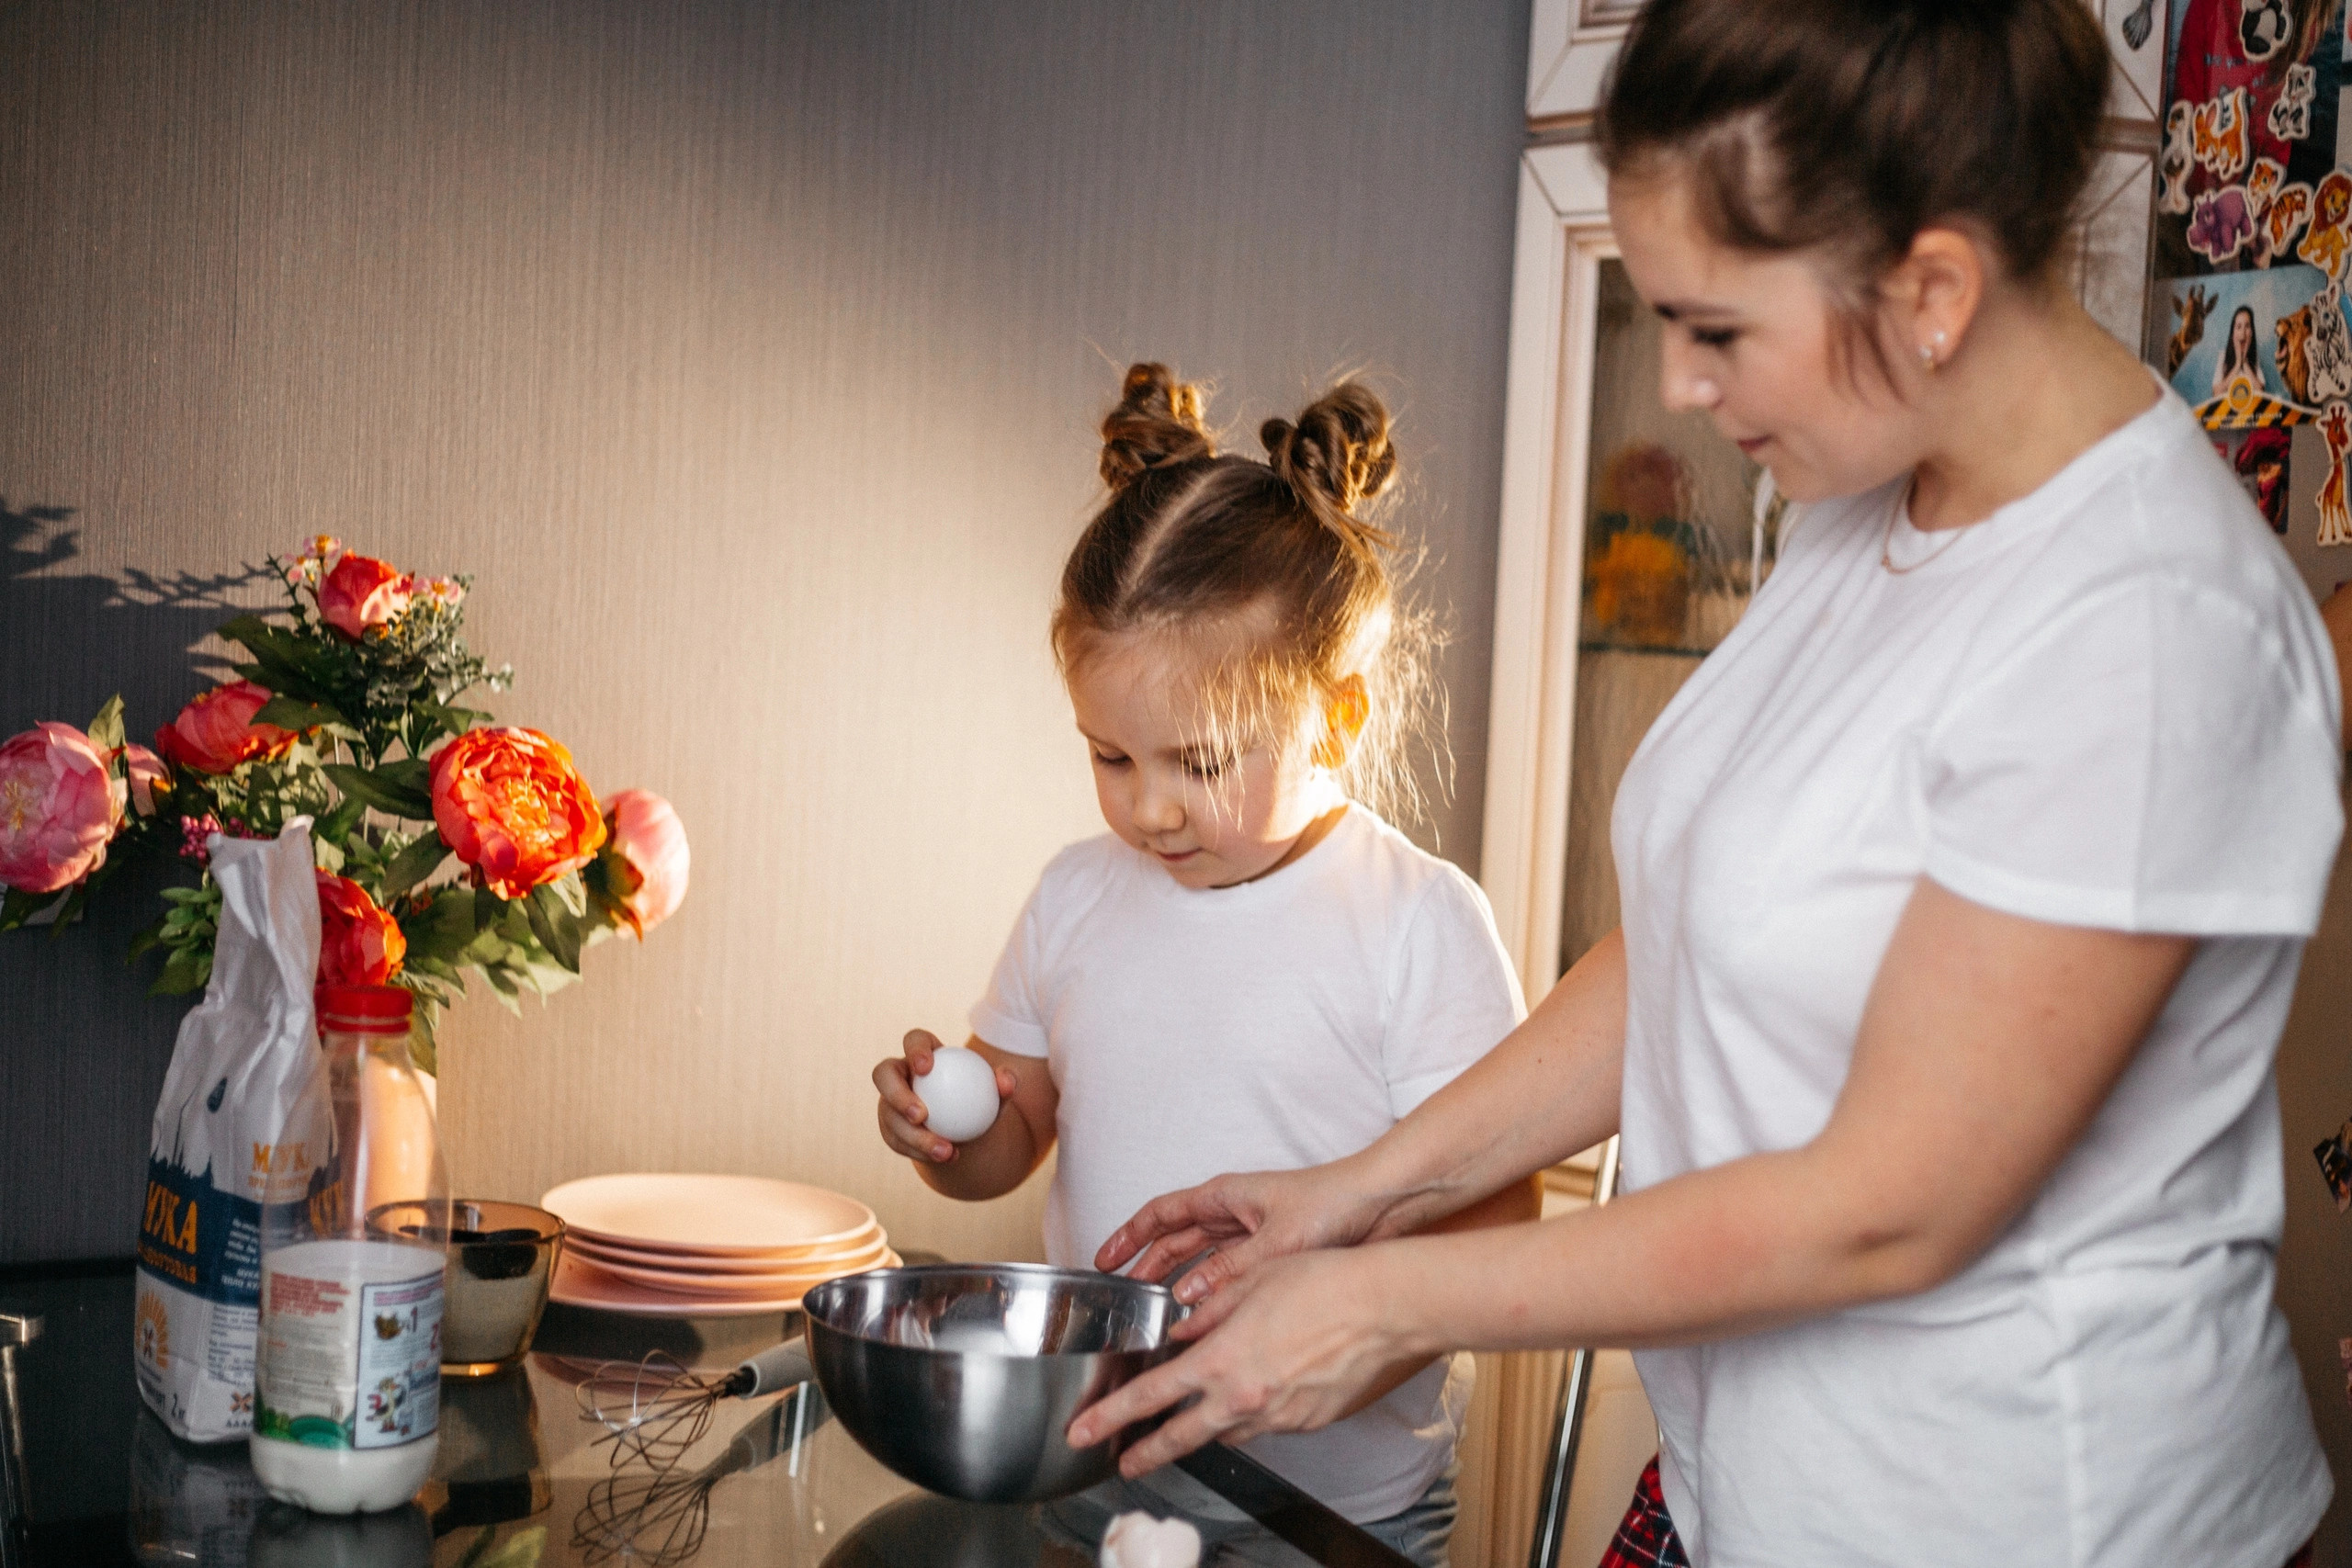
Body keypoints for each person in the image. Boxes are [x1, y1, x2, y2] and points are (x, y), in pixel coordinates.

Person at [1068, 5, 2346, 1566]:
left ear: (1932, 291)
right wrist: (1357, 1191)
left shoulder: (2146, 625)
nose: (1677, 383)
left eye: (1718, 329)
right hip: (1752, 1488)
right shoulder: (1870, 491)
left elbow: (1890, 1204)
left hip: (2027, 1521)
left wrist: (1385, 1298)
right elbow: (1696, 935)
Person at [871, 365, 1536, 1567]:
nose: (1151, 808)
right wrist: (946, 1131)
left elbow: (1495, 1207)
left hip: (1335, 1507)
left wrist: (1346, 1345)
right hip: (1095, 1463)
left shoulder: (1416, 922)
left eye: (1201, 760)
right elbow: (1012, 1136)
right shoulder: (1076, 895)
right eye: (1111, 756)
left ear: (1337, 717)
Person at [2214, 303, 2264, 397]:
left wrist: (2244, 362)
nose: (2243, 332)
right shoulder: (2223, 356)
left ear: (2251, 332)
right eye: (2239, 327)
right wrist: (2237, 364)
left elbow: (2261, 392)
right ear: (2233, 333)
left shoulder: (2255, 356)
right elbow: (2216, 393)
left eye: (2247, 326)